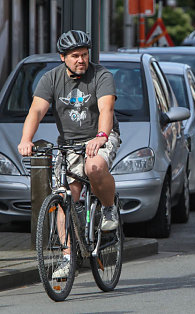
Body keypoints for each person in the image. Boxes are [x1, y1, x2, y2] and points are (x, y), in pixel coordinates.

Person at [17, 30, 121, 278]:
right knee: (65, 199)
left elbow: (106, 109)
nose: (81, 60)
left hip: (101, 136)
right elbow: (36, 111)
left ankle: (108, 209)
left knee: (94, 167)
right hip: (69, 144)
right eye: (75, 56)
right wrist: (26, 140)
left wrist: (101, 137)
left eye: (84, 55)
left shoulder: (102, 75)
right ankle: (66, 259)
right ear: (62, 57)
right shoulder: (50, 79)